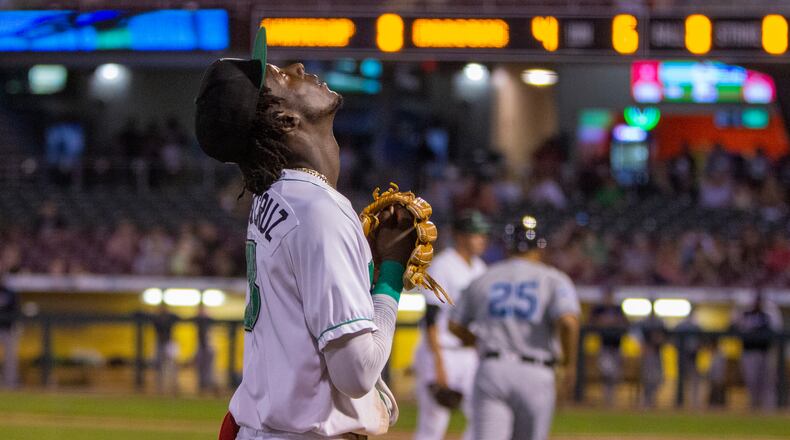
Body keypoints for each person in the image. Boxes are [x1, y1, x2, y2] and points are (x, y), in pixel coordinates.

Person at [196, 29, 414, 439]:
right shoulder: (317, 211)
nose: (297, 68)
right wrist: (389, 275)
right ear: (285, 119)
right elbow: (356, 372)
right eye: (282, 78)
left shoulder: (273, 195)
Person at [449, 217, 580, 440]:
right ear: (540, 247)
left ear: (508, 247)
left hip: (493, 368)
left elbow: (454, 324)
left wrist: (478, 342)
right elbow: (568, 322)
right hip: (536, 370)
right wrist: (569, 364)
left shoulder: (484, 277)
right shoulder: (553, 279)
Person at [413, 210, 490, 440]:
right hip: (441, 351)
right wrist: (438, 364)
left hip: (469, 354)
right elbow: (431, 317)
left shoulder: (480, 268)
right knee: (433, 423)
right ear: (459, 236)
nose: (481, 239)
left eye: (482, 234)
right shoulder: (442, 266)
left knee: (480, 417)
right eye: (475, 234)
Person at [731, 288, 781, 410]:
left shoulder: (768, 313)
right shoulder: (745, 313)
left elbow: (777, 329)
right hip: (749, 351)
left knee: (767, 382)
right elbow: (733, 325)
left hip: (765, 351)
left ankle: (768, 408)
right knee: (751, 380)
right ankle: (753, 407)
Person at [589, 286, 629, 407]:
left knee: (615, 374)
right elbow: (591, 324)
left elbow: (626, 324)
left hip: (617, 346)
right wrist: (602, 322)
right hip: (604, 345)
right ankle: (606, 398)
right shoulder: (599, 309)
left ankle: (612, 398)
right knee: (606, 372)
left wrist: (613, 321)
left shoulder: (618, 309)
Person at [638, 308, 665, 408]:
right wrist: (644, 346)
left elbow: (665, 337)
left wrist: (660, 340)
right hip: (648, 355)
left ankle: (652, 400)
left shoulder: (660, 323)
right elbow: (635, 333)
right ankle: (646, 401)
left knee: (658, 379)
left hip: (658, 354)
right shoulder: (643, 324)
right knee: (647, 379)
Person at [152, 302, 180, 395]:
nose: (162, 310)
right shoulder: (156, 318)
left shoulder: (170, 317)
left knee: (172, 366)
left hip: (169, 343)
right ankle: (160, 388)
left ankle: (174, 386)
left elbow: (178, 317)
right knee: (159, 365)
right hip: (160, 343)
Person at [0, 267, 20, 389]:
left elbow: (15, 311)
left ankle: (10, 383)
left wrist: (14, 327)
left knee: (10, 358)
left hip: (7, 329)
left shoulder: (10, 292)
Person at [195, 302, 218, 395]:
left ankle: (209, 388)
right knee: (200, 368)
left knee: (209, 370)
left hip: (208, 346)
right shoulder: (197, 319)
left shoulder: (208, 319)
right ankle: (203, 387)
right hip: (201, 347)